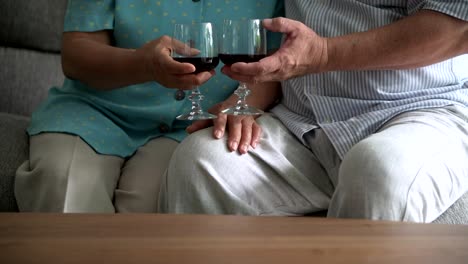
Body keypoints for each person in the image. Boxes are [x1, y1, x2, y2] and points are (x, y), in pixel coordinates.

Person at [159, 0, 468, 222]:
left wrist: (323, 54)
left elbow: (457, 28)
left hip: (422, 111)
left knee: (379, 170)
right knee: (198, 163)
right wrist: (245, 100)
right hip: (301, 122)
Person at [14, 0, 284, 213]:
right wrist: (143, 65)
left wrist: (241, 105)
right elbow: (76, 55)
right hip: (95, 113)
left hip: (194, 125)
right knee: (63, 183)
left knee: (155, 206)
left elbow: (282, 60)